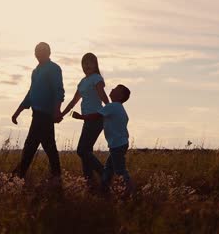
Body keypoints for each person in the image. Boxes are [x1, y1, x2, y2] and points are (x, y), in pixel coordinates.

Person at [11, 42, 64, 180]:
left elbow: (59, 90)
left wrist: (57, 110)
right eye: (36, 51)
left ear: (48, 52)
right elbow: (31, 94)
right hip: (37, 114)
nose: (38, 53)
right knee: (44, 146)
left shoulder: (53, 69)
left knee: (34, 146)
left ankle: (17, 177)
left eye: (42, 50)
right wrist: (18, 111)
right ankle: (56, 177)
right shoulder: (35, 71)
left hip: (46, 114)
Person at [72, 84, 132, 195]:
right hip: (119, 144)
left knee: (119, 170)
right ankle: (104, 191)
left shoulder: (113, 106)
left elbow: (96, 116)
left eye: (116, 89)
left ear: (120, 96)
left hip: (117, 145)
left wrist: (80, 117)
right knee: (109, 170)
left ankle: (130, 190)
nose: (112, 89)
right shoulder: (119, 108)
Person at [61, 53, 109, 186]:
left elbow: (103, 97)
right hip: (87, 120)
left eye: (90, 63)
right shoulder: (82, 82)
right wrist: (61, 114)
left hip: (96, 118)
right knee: (85, 152)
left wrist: (111, 111)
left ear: (95, 65)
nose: (87, 65)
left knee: (82, 150)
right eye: (84, 63)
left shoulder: (97, 78)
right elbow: (73, 101)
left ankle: (104, 173)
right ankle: (90, 183)